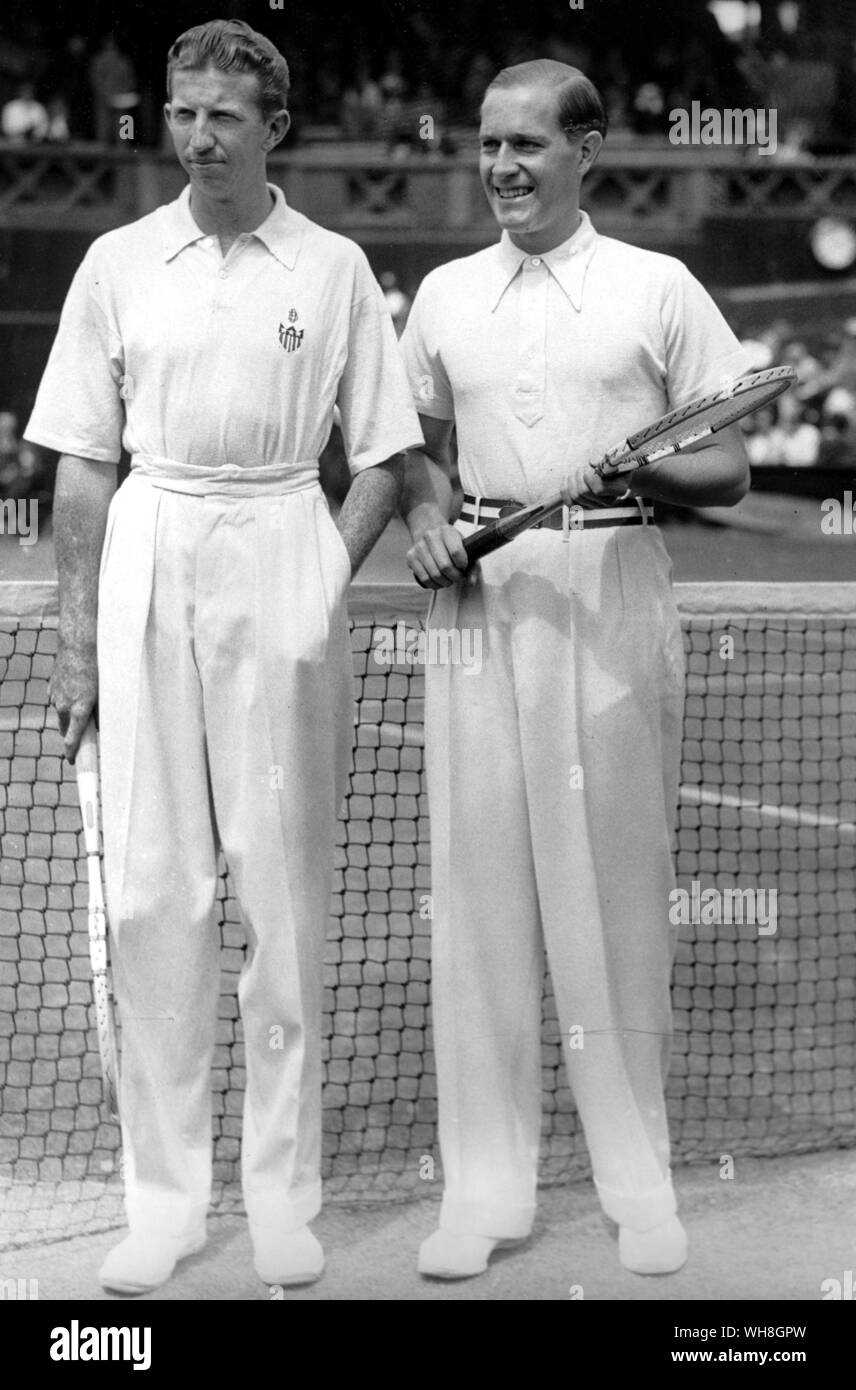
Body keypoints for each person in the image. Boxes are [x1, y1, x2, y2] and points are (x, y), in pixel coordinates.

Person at [25, 18, 422, 1295]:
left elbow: (384, 456)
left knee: (284, 904)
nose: (197, 136)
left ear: (275, 128)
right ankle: (164, 1203)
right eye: (182, 112)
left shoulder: (339, 265)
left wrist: (320, 575)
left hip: (277, 547)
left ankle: (283, 1198)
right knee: (153, 898)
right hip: (151, 541)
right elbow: (82, 471)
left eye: (224, 117)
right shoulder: (116, 260)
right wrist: (78, 645)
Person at [399, 59, 751, 1280]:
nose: (500, 166)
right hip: (481, 608)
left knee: (610, 907)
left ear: (585, 149)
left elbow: (729, 468)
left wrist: (631, 468)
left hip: (613, 597)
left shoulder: (657, 287)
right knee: (481, 902)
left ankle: (639, 1187)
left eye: (526, 146)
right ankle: (484, 1192)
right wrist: (430, 521)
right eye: (487, 145)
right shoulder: (442, 294)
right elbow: (422, 454)